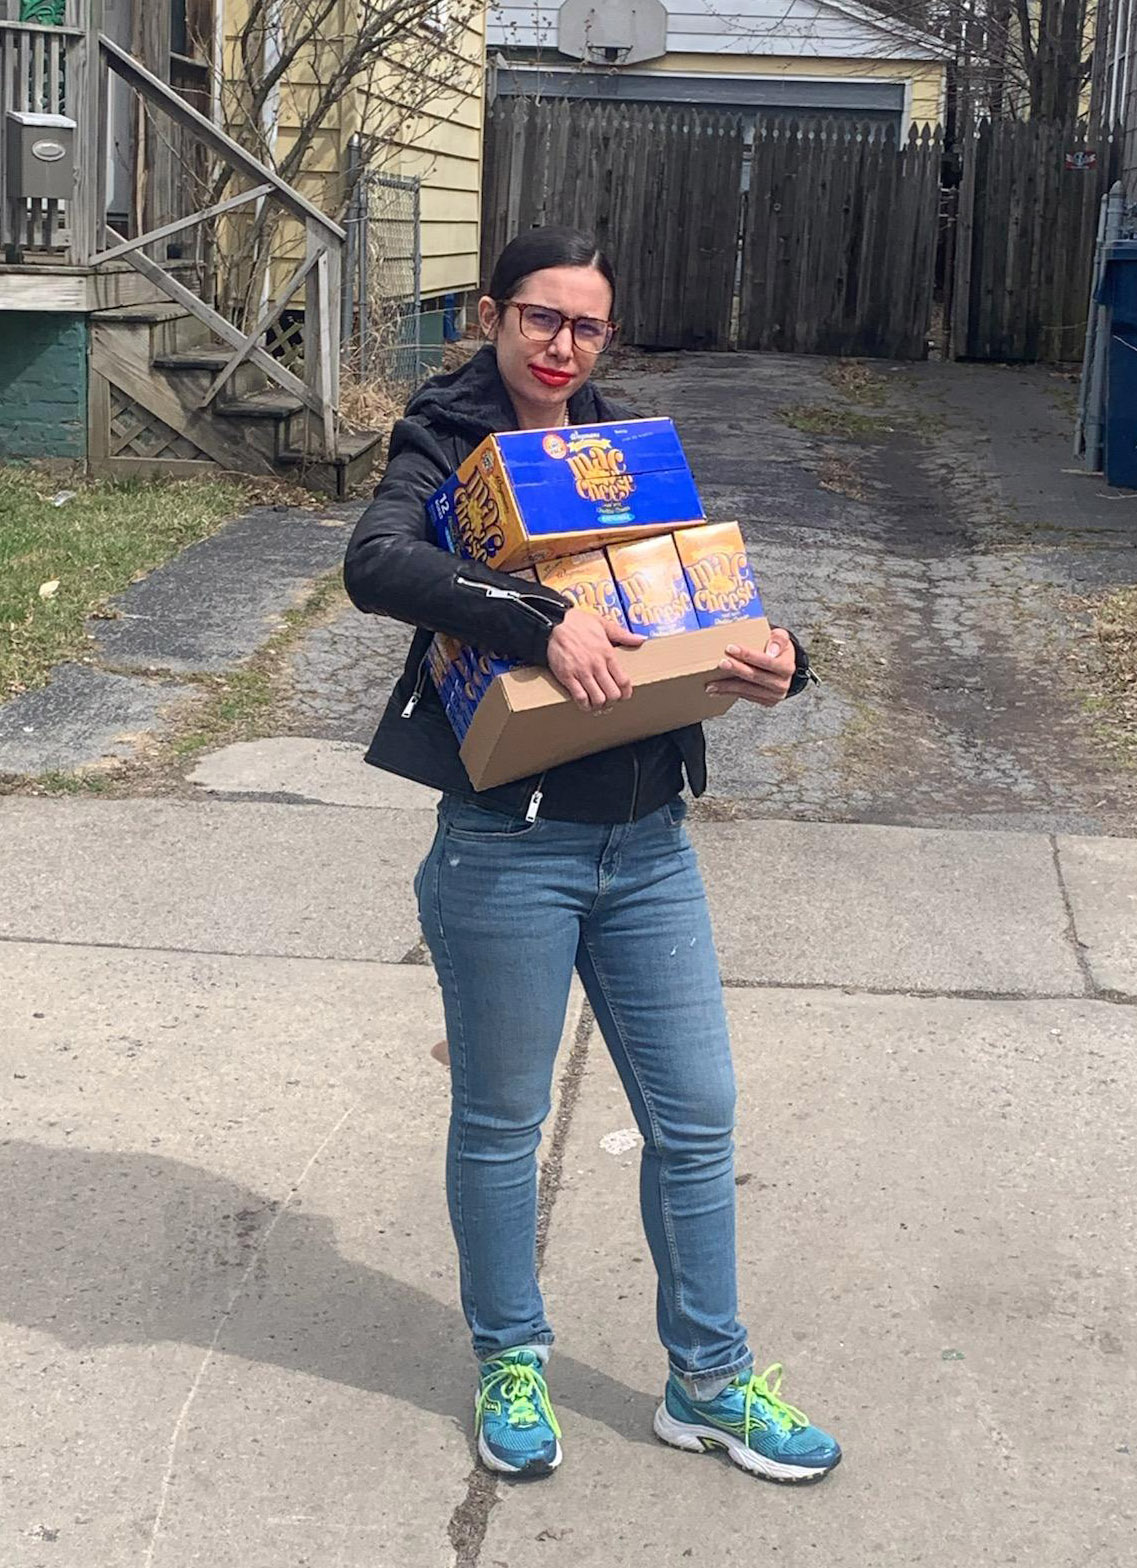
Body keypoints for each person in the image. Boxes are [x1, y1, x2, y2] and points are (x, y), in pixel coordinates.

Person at [343, 226, 840, 1484]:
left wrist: (775, 659)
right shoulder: (444, 438)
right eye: (542, 320)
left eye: (587, 326)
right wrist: (540, 615)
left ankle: (710, 1381)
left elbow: (696, 602)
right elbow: (378, 561)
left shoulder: (619, 453)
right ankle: (512, 1355)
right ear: (491, 315)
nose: (564, 347)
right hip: (505, 850)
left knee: (697, 1112)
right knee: (504, 1122)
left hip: (648, 840)